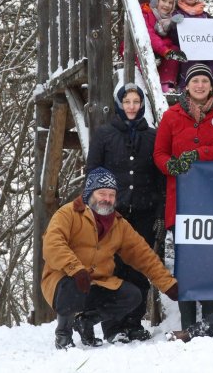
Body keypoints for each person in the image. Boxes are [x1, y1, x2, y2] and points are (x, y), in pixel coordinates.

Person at [42, 167, 178, 350]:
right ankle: (63, 334)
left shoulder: (119, 224)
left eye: (111, 194)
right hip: (64, 281)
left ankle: (87, 321)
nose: (107, 199)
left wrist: (167, 284)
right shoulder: (67, 214)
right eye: (102, 193)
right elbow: (53, 244)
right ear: (90, 193)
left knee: (132, 295)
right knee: (72, 286)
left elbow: (143, 255)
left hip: (99, 282)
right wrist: (76, 269)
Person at [154, 62, 213, 328]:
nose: (200, 85)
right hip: (181, 198)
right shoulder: (172, 115)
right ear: (186, 86)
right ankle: (188, 323)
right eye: (195, 81)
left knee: (211, 261)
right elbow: (159, 153)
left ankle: (211, 320)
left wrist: (199, 156)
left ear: (210, 85)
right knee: (185, 263)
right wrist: (172, 165)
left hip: (212, 198)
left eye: (204, 81)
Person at [84, 83, 166, 341]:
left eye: (136, 102)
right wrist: (94, 208)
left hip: (144, 210)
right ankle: (113, 325)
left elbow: (160, 177)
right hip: (112, 213)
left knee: (139, 267)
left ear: (141, 105)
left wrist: (161, 210)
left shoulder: (152, 136)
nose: (132, 106)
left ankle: (134, 322)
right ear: (120, 104)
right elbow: (93, 171)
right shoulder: (105, 134)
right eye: (127, 101)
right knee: (113, 266)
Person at [174, 0, 213, 88]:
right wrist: (173, 24)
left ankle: (209, 85)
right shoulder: (177, 13)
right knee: (190, 64)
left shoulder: (205, 15)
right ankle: (185, 87)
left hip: (205, 50)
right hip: (187, 51)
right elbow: (173, 35)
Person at [142, 0, 186, 93]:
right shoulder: (146, 13)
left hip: (162, 48)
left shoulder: (171, 18)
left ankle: (166, 83)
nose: (167, 5)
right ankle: (147, 84)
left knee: (175, 51)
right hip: (145, 45)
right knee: (146, 53)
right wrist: (164, 51)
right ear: (155, 0)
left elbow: (170, 40)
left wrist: (169, 50)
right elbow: (149, 35)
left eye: (171, 2)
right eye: (164, 1)